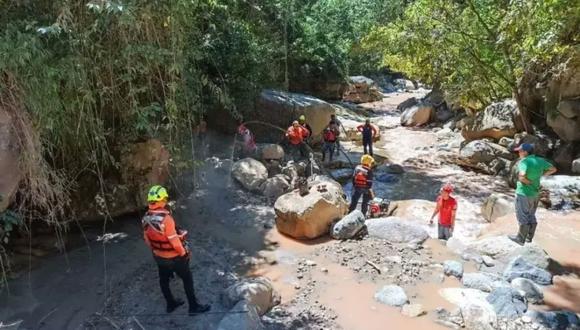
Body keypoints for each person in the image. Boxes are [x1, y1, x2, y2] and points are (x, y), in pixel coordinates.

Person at [142, 185, 210, 315]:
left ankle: (170, 304)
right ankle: (193, 307)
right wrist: (183, 253)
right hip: (174, 257)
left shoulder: (145, 218)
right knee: (187, 278)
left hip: (159, 257)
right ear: (161, 200)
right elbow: (174, 241)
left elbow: (147, 240)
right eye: (165, 199)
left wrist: (157, 252)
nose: (166, 201)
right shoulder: (166, 219)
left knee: (163, 280)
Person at [508, 143, 557, 246]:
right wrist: (542, 175)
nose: (518, 153)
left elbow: (522, 176)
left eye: (520, 151)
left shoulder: (524, 162)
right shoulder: (540, 161)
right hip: (535, 194)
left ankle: (520, 239)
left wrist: (527, 182)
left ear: (525, 152)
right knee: (531, 215)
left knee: (522, 216)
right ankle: (529, 238)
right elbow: (553, 169)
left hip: (523, 193)